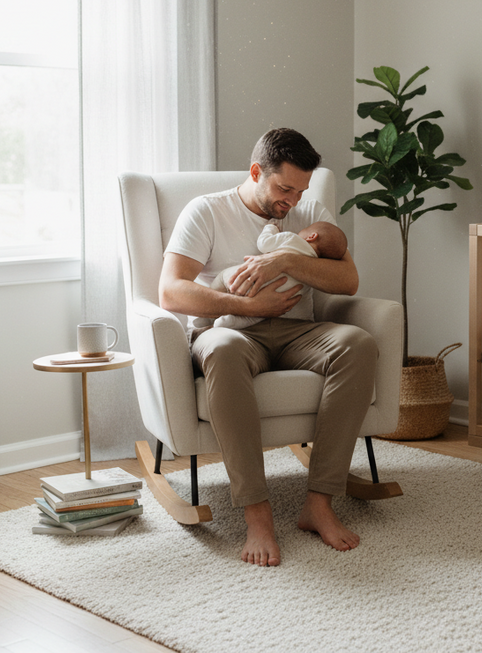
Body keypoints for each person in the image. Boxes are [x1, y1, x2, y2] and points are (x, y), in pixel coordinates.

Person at [158, 128, 377, 567]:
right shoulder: (207, 211)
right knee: (220, 348)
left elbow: (349, 281)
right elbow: (171, 292)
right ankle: (257, 513)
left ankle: (319, 503)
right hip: (233, 331)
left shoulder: (309, 209)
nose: (293, 201)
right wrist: (246, 303)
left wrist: (287, 260)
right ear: (257, 172)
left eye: (300, 190)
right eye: (284, 189)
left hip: (299, 332)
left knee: (357, 343)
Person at [209, 220, 349, 330]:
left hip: (254, 281)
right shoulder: (315, 267)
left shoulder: (292, 239)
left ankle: (205, 314)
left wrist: (271, 228)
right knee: (256, 316)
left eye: (304, 230)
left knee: (223, 276)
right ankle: (228, 322)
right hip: (281, 303)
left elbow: (263, 243)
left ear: (311, 236)